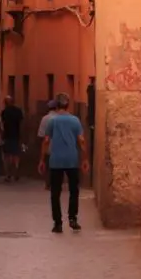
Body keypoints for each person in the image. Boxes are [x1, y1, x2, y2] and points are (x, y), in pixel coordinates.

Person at [39, 93, 89, 233]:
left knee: (55, 192)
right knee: (74, 190)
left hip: (56, 160)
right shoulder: (75, 121)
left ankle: (58, 223)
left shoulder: (52, 121)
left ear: (56, 105)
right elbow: (81, 140)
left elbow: (46, 141)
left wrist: (42, 160)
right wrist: (85, 159)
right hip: (72, 159)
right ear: (68, 105)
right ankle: (73, 218)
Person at [0, 95, 24, 182]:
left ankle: (8, 174)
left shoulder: (4, 112)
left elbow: (2, 124)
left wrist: (2, 134)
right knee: (16, 155)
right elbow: (22, 123)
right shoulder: (18, 111)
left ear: (5, 103)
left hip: (7, 136)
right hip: (16, 135)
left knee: (7, 155)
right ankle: (16, 171)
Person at [37, 100, 57, 189]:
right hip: (60, 146)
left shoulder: (45, 118)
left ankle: (48, 183)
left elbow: (41, 135)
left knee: (48, 164)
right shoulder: (61, 118)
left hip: (48, 146)